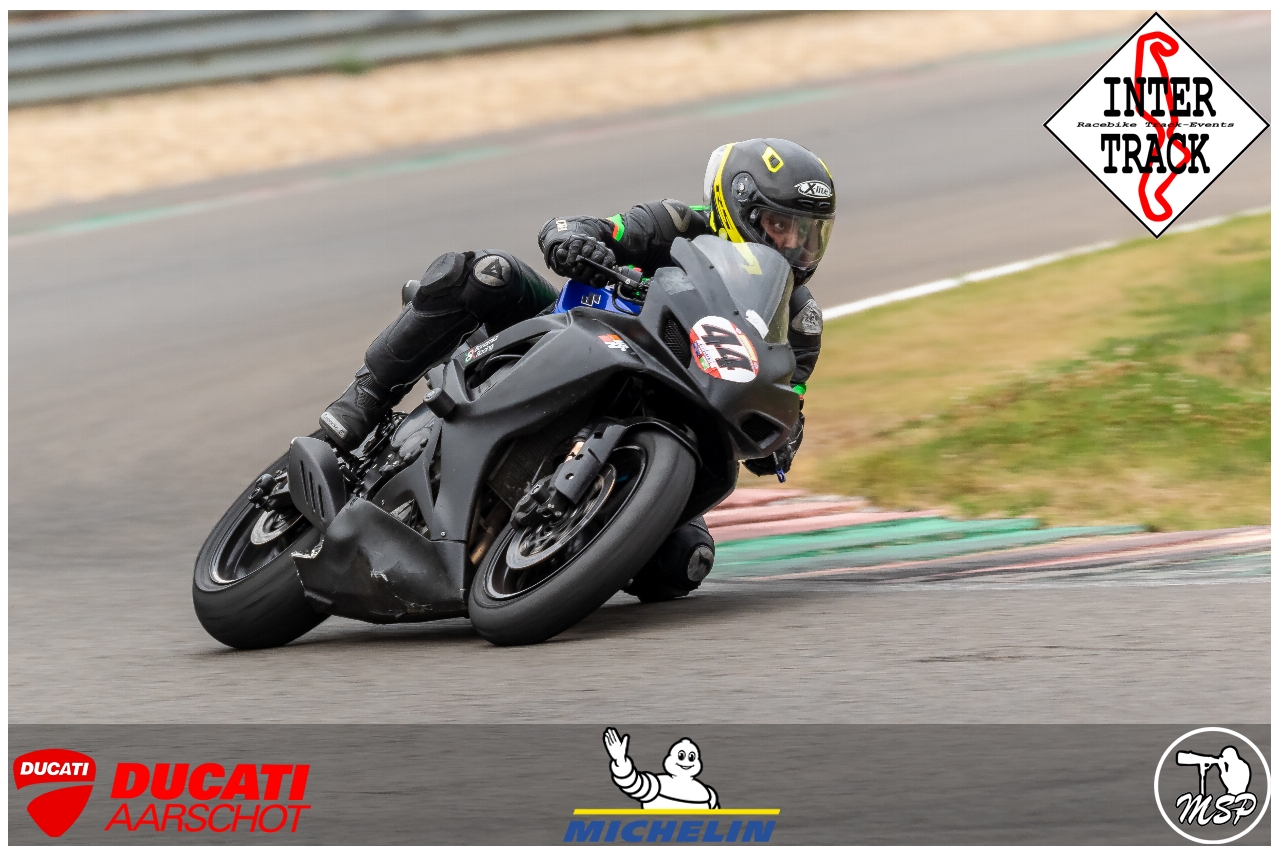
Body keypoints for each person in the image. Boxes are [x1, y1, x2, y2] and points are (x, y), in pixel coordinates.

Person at [318, 138, 836, 598]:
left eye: (810, 233)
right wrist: (574, 243)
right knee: (486, 273)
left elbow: (785, 394)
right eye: (781, 226)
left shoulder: (799, 321)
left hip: (671, 415)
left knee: (682, 564)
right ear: (736, 207)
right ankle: (364, 400)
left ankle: (552, 552)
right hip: (575, 334)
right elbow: (579, 227)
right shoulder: (677, 225)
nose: (795, 245)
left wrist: (783, 435)